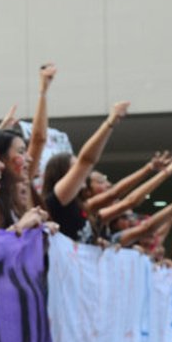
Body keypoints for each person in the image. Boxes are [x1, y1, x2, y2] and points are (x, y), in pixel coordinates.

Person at [41, 101, 129, 243]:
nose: (84, 173)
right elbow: (87, 161)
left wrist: (96, 243)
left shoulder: (81, 206)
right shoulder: (58, 200)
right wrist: (110, 122)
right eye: (75, 169)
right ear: (62, 175)